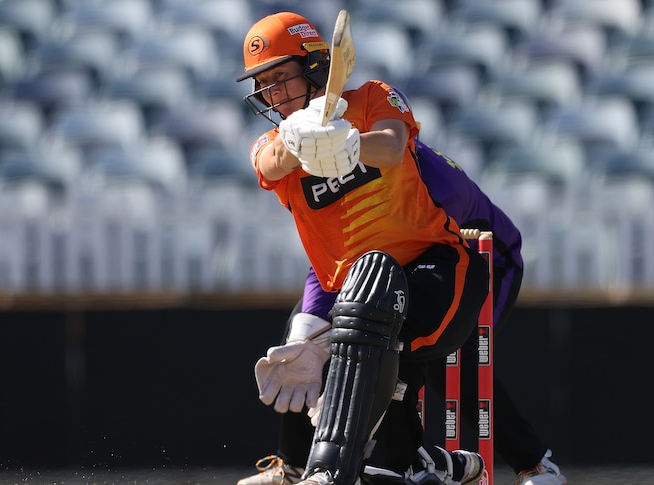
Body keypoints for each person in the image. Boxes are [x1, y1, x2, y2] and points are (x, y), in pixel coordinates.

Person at [235, 11, 490, 485]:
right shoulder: (272, 140)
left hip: (436, 270)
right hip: (356, 292)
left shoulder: (373, 97)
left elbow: (392, 147)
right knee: (300, 343)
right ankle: (399, 462)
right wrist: (303, 139)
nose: (273, 95)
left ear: (315, 68)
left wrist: (347, 143)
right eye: (264, 85)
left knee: (358, 330)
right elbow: (270, 165)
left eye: (280, 78)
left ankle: (335, 468)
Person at [237, 139, 568, 485]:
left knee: (439, 352)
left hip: (478, 264)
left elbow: (430, 251)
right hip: (397, 272)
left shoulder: (426, 179)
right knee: (305, 335)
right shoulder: (341, 177)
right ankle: (294, 467)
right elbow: (333, 266)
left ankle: (535, 465)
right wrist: (310, 335)